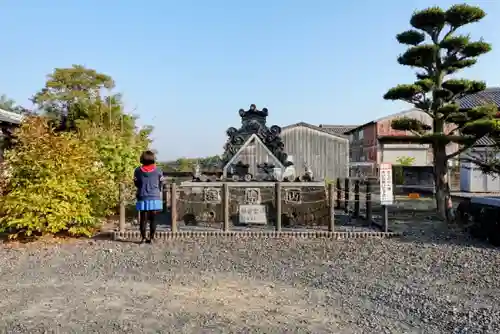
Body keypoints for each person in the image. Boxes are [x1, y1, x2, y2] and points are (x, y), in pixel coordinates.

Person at [134, 150, 164, 243]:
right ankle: (151, 238)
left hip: (142, 196)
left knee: (143, 219)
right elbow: (161, 183)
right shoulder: (158, 170)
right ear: (152, 159)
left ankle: (143, 238)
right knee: (153, 219)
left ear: (142, 159)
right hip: (154, 196)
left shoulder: (138, 170)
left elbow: (136, 183)